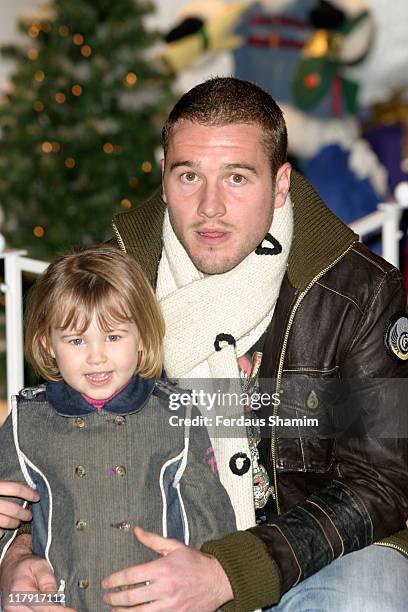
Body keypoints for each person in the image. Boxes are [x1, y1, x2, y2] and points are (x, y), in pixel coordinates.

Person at [1, 76, 408, 612]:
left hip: (318, 553)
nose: (210, 206)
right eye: (189, 175)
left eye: (237, 178)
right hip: (141, 552)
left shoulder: (357, 290)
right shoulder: (112, 283)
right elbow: (52, 438)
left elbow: (382, 482)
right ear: (164, 176)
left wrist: (230, 571)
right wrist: (16, 551)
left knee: (367, 599)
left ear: (280, 184)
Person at [0, 245, 236, 611]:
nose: (96, 356)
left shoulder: (176, 413)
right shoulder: (27, 420)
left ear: (142, 336)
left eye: (113, 336)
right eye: (76, 340)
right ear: (48, 344)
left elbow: (210, 519)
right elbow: (7, 520)